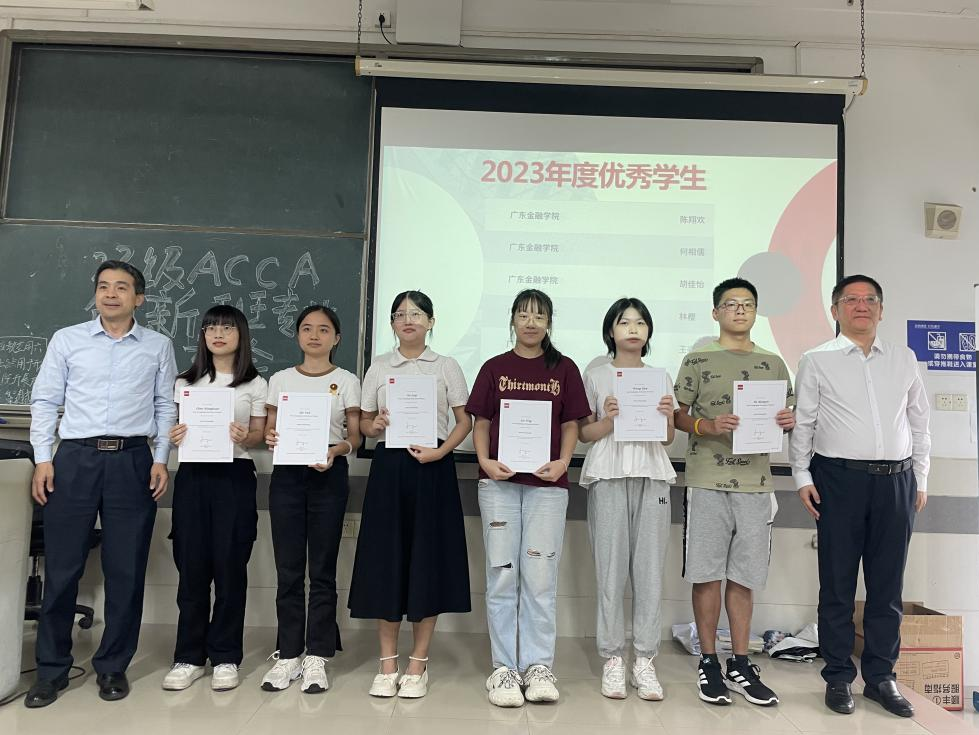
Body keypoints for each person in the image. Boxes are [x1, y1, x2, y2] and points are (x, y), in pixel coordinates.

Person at [26, 260, 177, 708]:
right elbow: (44, 400)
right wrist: (43, 458)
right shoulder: (67, 340)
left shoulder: (158, 345)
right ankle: (51, 670)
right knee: (63, 568)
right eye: (104, 286)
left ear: (139, 298)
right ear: (95, 294)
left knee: (125, 569)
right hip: (74, 459)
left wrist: (161, 459)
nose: (111, 294)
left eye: (122, 287)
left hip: (133, 460)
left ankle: (112, 666)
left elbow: (165, 406)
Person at [791, 275, 930, 718]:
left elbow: (919, 421)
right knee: (837, 584)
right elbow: (804, 422)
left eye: (870, 299)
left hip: (897, 481)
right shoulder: (817, 359)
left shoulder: (904, 358)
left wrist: (921, 478)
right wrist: (800, 475)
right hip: (838, 479)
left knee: (887, 587)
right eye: (851, 299)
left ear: (881, 310)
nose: (861, 306)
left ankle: (881, 677)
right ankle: (837, 676)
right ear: (835, 310)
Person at [673, 277, 795, 707]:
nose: (739, 310)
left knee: (744, 576)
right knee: (706, 573)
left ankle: (741, 663)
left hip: (756, 485)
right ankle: (709, 662)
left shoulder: (773, 363)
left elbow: (787, 414)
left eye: (747, 304)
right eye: (731, 304)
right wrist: (706, 425)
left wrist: (787, 421)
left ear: (756, 312)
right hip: (706, 480)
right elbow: (677, 415)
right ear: (716, 312)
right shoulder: (697, 359)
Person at [466, 289, 590, 708]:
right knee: (502, 575)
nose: (531, 323)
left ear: (549, 322)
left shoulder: (564, 368)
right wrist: (485, 460)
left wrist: (564, 462)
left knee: (540, 578)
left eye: (539, 316)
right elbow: (482, 422)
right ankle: (503, 668)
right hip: (498, 485)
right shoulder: (494, 367)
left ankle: (538, 666)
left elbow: (571, 424)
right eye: (523, 315)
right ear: (513, 320)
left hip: (548, 488)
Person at [349, 290, 472, 699]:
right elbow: (365, 424)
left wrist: (441, 451)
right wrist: (376, 426)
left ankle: (418, 662)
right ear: (392, 324)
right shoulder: (380, 366)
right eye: (400, 314)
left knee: (427, 561)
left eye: (417, 314)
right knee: (387, 560)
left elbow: (465, 421)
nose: (408, 320)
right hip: (389, 468)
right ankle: (387, 663)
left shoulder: (446, 366)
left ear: (431, 322)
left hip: (433, 467)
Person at [162, 305, 268, 692]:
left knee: (229, 568)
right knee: (191, 568)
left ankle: (225, 656)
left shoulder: (255, 383)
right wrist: (174, 435)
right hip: (193, 475)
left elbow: (259, 435)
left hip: (234, 476)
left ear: (241, 335)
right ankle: (188, 657)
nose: (217, 334)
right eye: (210, 328)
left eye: (226, 328)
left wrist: (245, 436)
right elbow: (172, 427)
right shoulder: (184, 381)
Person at [578, 298, 676, 701]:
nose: (632, 329)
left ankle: (645, 660)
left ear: (648, 331)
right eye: (624, 322)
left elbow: (667, 438)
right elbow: (584, 434)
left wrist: (667, 416)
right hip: (608, 474)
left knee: (650, 572)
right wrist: (608, 418)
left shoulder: (660, 377)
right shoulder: (596, 375)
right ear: (611, 331)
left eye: (640, 323)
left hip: (652, 475)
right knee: (610, 571)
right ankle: (613, 658)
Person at [261, 305, 361, 694]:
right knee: (288, 570)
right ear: (297, 335)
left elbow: (356, 438)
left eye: (323, 329)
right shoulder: (280, 379)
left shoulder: (346, 380)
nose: (314, 335)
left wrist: (336, 451)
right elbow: (270, 431)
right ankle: (288, 654)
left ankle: (317, 654)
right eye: (306, 328)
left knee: (322, 571)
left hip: (328, 475)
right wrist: (270, 437)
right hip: (287, 477)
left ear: (337, 338)